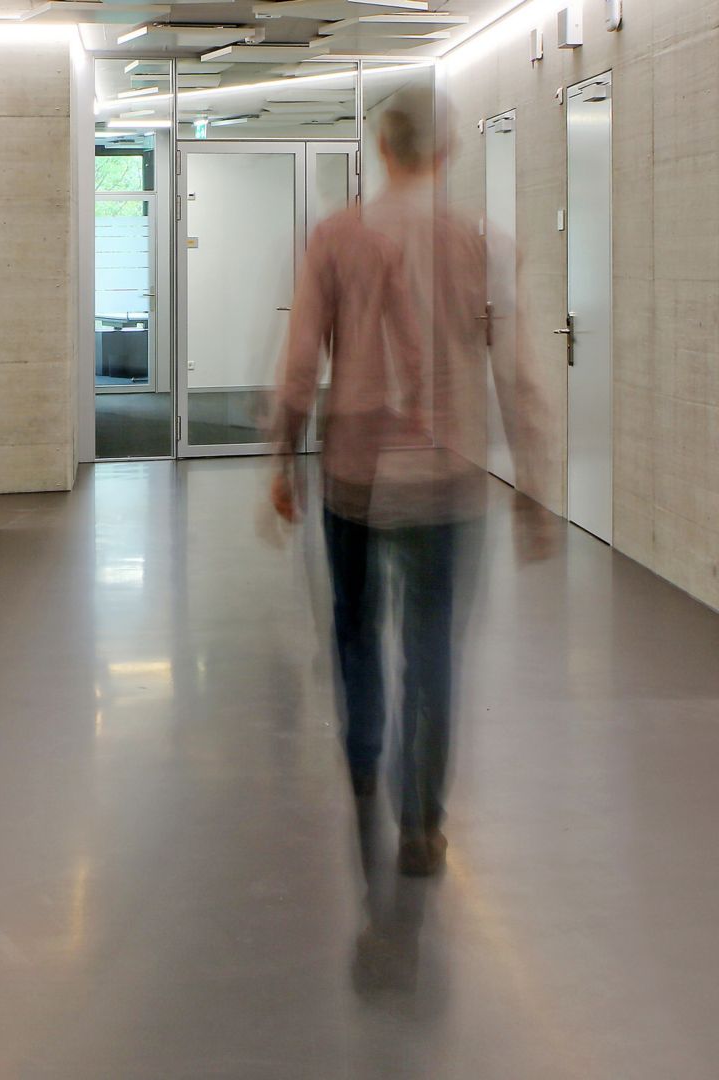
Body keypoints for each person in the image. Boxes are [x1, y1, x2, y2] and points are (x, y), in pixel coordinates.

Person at [266, 86, 554, 878]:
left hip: (354, 477)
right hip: (448, 483)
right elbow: (519, 376)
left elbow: (299, 364)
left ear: (383, 149)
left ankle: (365, 757)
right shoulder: (482, 244)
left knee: (356, 627)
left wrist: (280, 457)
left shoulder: (333, 238)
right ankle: (422, 818)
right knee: (431, 650)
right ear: (449, 150)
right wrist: (534, 484)